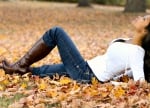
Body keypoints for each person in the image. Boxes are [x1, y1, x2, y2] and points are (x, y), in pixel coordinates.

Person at [0, 15, 150, 83]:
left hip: (87, 74)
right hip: (86, 68)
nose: (140, 16)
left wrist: (114, 83)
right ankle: (20, 70)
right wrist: (118, 78)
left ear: (144, 31)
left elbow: (140, 81)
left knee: (56, 32)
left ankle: (19, 65)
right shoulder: (127, 40)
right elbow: (126, 72)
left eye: (144, 19)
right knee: (40, 72)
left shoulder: (137, 52)